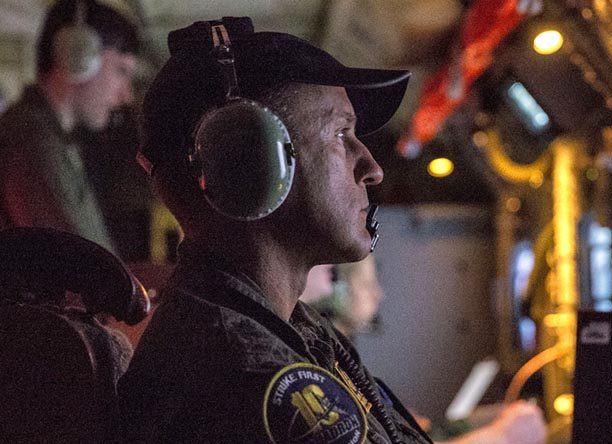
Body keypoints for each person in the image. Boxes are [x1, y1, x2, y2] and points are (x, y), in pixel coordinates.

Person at [118, 17, 546, 444]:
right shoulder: (246, 376)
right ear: (248, 164)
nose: (373, 169)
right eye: (342, 134)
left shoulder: (283, 329)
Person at [0, 0, 139, 253]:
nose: (126, 95)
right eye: (121, 71)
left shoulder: (50, 136)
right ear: (77, 55)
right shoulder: (32, 139)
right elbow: (91, 269)